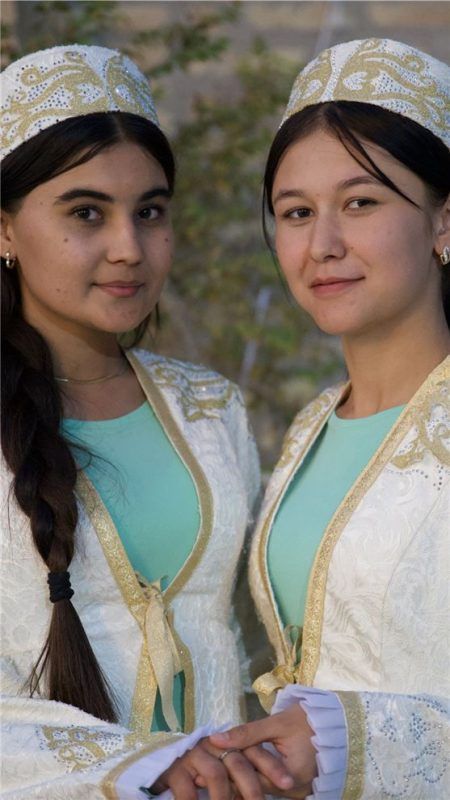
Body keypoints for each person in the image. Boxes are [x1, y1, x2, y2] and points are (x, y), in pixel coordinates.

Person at [0, 44, 296, 800]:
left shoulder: (210, 409)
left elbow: (260, 645)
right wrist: (133, 766)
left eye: (150, 212)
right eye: (86, 213)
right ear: (4, 231)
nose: (128, 249)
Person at [210, 38, 450, 798]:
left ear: (444, 222)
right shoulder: (312, 424)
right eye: (296, 213)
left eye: (361, 203)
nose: (322, 245)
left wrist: (348, 739)